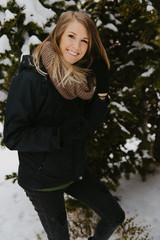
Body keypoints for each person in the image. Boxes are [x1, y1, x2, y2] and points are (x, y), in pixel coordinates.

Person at [3, 11, 125, 240]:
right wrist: (59, 135)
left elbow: (89, 127)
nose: (76, 46)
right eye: (71, 36)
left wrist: (102, 91)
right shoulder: (31, 79)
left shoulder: (79, 78)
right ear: (58, 35)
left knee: (114, 217)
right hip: (42, 180)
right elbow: (13, 137)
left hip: (73, 169)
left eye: (84, 41)